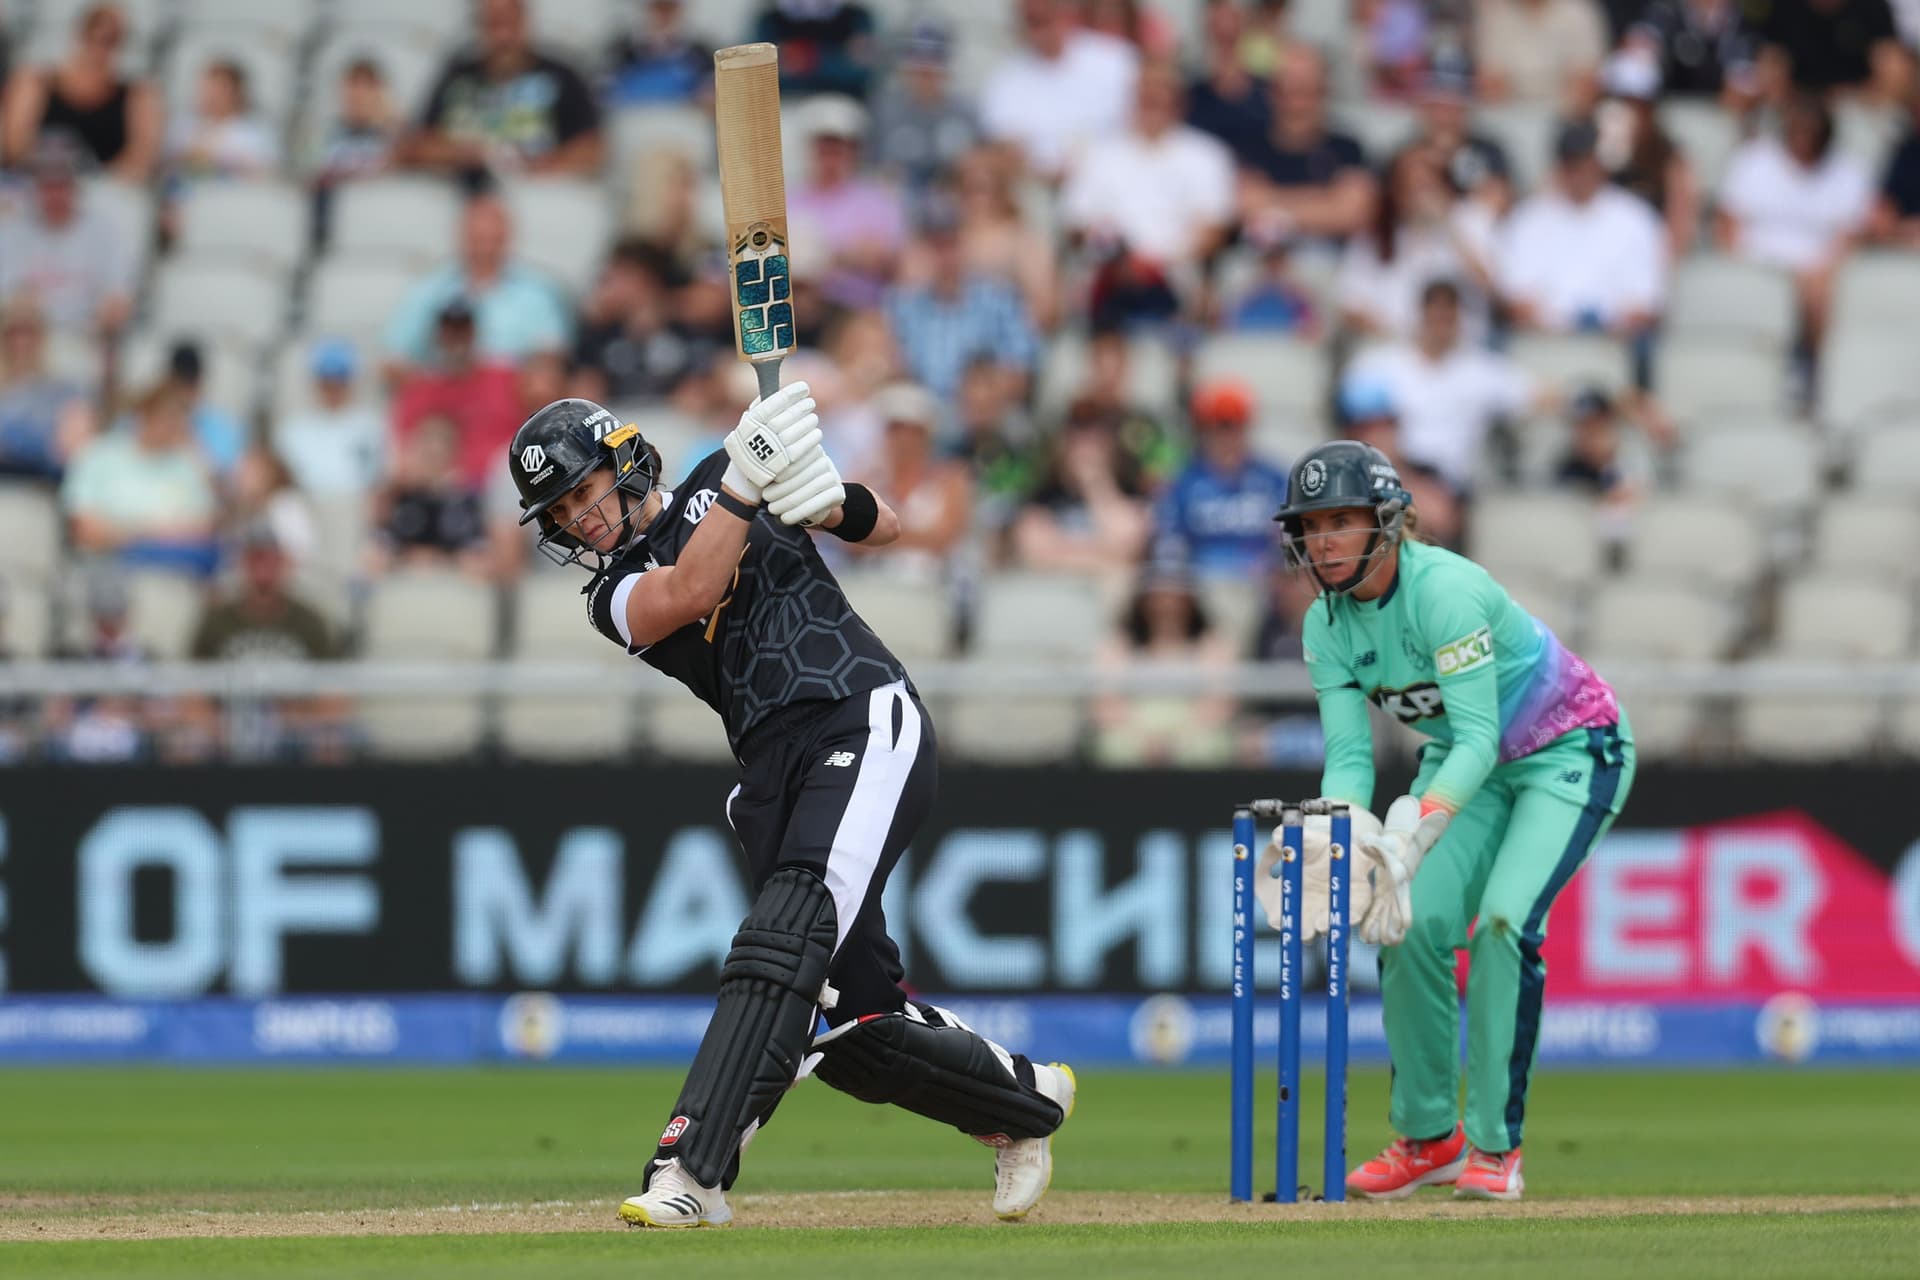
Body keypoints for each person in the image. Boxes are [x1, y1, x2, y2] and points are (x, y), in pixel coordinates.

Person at [506, 384, 1075, 1227]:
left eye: (582, 491)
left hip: (859, 715)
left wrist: (827, 500)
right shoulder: (612, 595)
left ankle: (690, 1171)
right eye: (559, 512)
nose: (578, 520)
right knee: (852, 1023)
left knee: (782, 943)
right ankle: (1024, 1101)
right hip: (772, 774)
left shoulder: (722, 473)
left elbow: (886, 528)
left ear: (625, 463)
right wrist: (749, 479)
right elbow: (692, 589)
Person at [1270, 438, 1634, 1202]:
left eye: (1340, 520)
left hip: (1570, 747)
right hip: (1475, 768)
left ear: (1385, 520)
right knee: (1405, 925)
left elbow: (1475, 736)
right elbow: (1351, 759)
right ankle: (1429, 1138)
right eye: (1311, 525)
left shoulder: (1446, 591)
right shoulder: (1325, 627)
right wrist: (1342, 834)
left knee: (1503, 923)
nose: (1323, 540)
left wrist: (1414, 832)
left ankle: (1496, 1147)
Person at [1716, 94, 1872, 358]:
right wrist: (1747, 268)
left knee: (1823, 294)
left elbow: (1849, 239)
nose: (1804, 140)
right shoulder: (1753, 160)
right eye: (1798, 130)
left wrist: (1814, 274)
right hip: (1755, 265)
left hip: (1816, 275)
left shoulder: (1848, 171)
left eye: (1812, 133)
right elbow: (1727, 224)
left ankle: (1817, 368)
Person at [401, 0, 603, 179]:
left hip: (539, 193)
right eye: (493, 24)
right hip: (464, 191)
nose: (503, 36)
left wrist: (545, 166)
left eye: (509, 23)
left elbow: (592, 147)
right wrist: (469, 155)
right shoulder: (456, 76)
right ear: (479, 27)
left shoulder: (562, 76)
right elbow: (418, 146)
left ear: (525, 22)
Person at [1, 2, 162, 181]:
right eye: (94, 36)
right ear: (80, 34)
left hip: (105, 190)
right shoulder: (36, 84)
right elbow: (16, 149)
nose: (100, 48)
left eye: (111, 39)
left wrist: (92, 183)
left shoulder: (138, 96)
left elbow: (141, 160)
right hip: (39, 186)